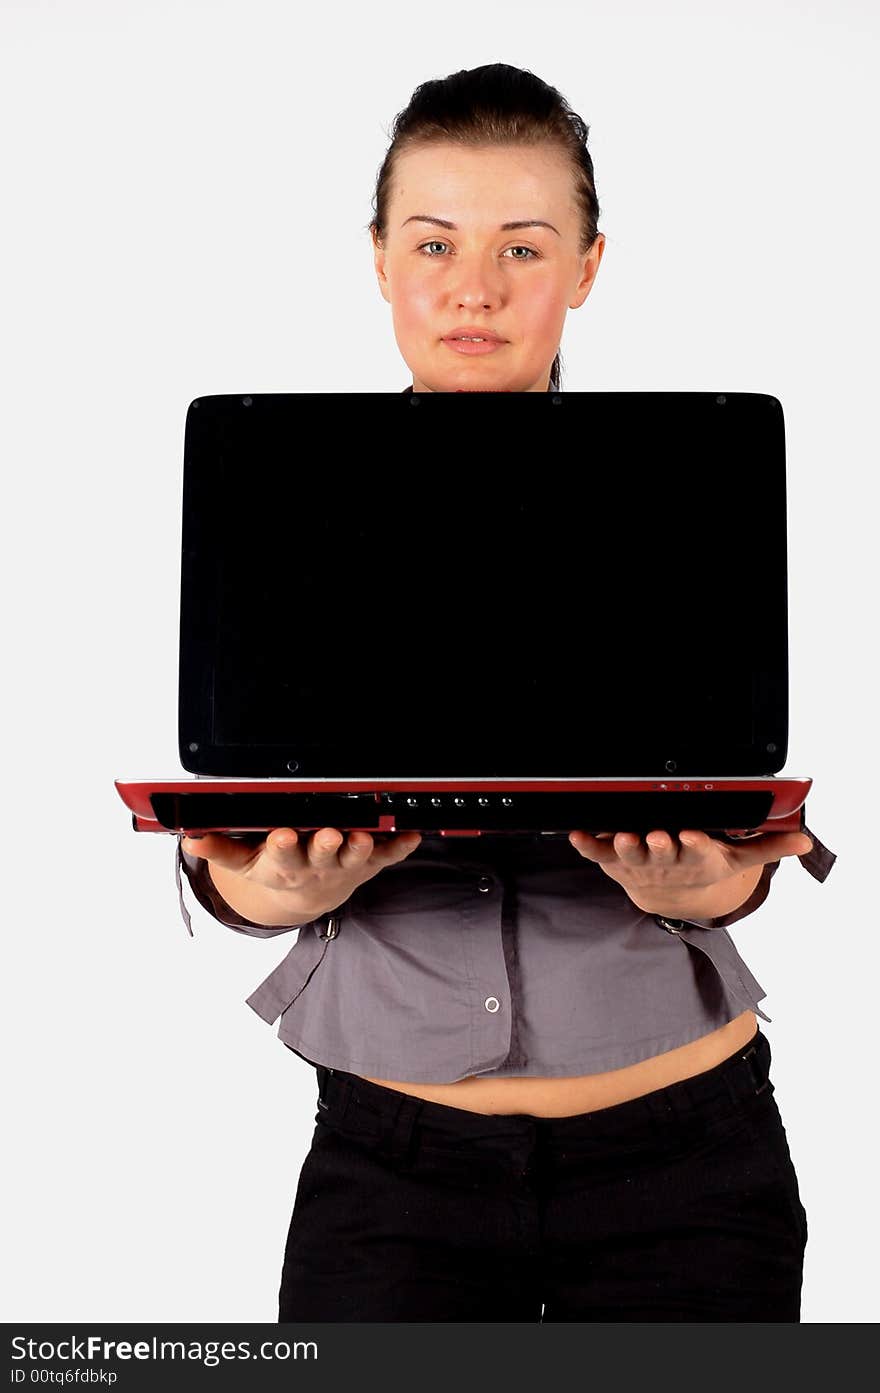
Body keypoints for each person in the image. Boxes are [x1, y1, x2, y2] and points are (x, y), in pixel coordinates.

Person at [176, 63, 837, 1322]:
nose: (472, 287)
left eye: (522, 247)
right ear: (378, 259)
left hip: (687, 1167)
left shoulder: (686, 497)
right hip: (389, 1176)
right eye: (433, 241)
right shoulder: (281, 510)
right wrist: (272, 888)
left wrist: (707, 887)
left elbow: (741, 809)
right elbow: (238, 831)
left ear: (586, 266)